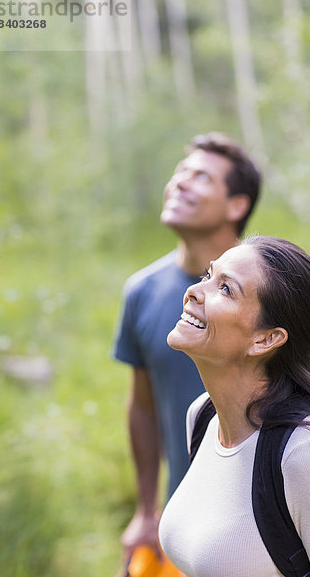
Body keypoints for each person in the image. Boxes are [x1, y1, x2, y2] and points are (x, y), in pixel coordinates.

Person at [159, 236, 310, 577]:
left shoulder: (309, 456)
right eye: (208, 275)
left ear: (266, 339)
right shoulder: (203, 416)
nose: (194, 291)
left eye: (226, 289)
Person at [113, 133, 262, 560]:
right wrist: (146, 510)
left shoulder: (272, 292)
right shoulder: (142, 291)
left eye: (200, 177)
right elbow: (142, 406)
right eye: (180, 172)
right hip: (185, 518)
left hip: (264, 524)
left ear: (237, 205)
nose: (179, 182)